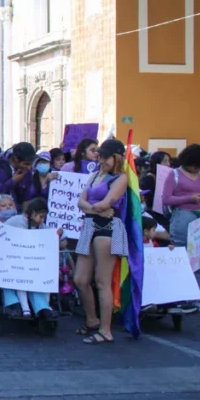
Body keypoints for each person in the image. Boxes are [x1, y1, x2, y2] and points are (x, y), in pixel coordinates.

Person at [73, 139, 130, 344]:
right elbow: (82, 202)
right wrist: (94, 208)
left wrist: (93, 207)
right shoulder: (95, 175)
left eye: (106, 156)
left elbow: (107, 203)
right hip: (91, 224)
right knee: (80, 279)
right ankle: (92, 319)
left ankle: (106, 330)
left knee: (102, 282)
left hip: (108, 229)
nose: (102, 160)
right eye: (101, 156)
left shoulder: (121, 178)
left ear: (116, 157)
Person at [161, 144, 200, 310]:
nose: (198, 169)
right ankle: (182, 295)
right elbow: (166, 199)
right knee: (182, 258)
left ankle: (198, 296)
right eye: (197, 165)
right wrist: (188, 198)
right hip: (181, 218)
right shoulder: (174, 174)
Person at [3, 198, 59, 321]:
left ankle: (43, 307)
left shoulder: (41, 226)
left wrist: (58, 235)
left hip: (33, 263)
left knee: (41, 277)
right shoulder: (15, 221)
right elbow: (1, 233)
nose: (42, 220)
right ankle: (19, 306)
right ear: (33, 213)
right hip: (13, 262)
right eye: (41, 217)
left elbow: (54, 236)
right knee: (18, 276)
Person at [0, 142, 37, 221]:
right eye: (26, 164)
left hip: (15, 219)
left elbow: (26, 198)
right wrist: (12, 181)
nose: (28, 167)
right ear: (16, 159)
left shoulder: (27, 173)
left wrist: (24, 219)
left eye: (30, 164)